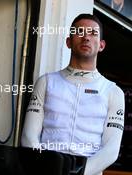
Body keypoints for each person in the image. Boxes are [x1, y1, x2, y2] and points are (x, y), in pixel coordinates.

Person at [21, 14, 125, 175]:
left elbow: (111, 149)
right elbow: (29, 136)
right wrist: (45, 168)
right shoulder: (46, 82)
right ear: (68, 42)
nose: (86, 38)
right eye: (80, 32)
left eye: (93, 33)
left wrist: (80, 173)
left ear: (101, 45)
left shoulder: (113, 91)